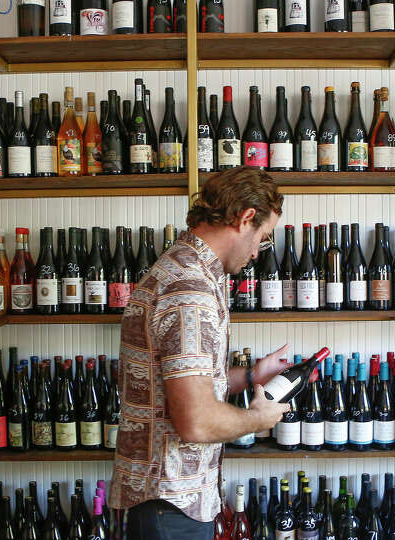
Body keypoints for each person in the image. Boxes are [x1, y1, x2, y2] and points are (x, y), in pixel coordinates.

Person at [109, 166, 290, 539]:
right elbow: (196, 421)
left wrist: (253, 376)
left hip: (167, 499)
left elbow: (178, 384)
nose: (257, 252)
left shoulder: (185, 269)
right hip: (172, 501)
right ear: (245, 218)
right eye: (264, 238)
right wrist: (260, 418)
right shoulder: (189, 291)